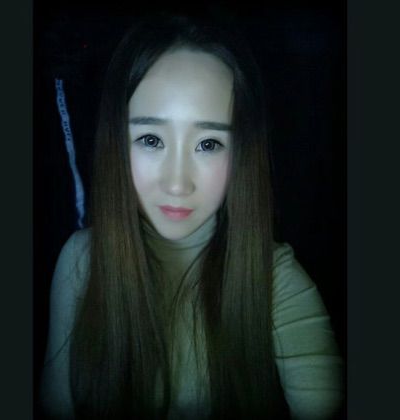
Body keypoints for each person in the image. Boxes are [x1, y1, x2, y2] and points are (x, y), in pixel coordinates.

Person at [40, 14, 344, 420]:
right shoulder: (82, 260)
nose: (177, 183)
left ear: (242, 153)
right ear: (116, 142)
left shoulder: (274, 281)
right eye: (151, 139)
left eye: (208, 144)